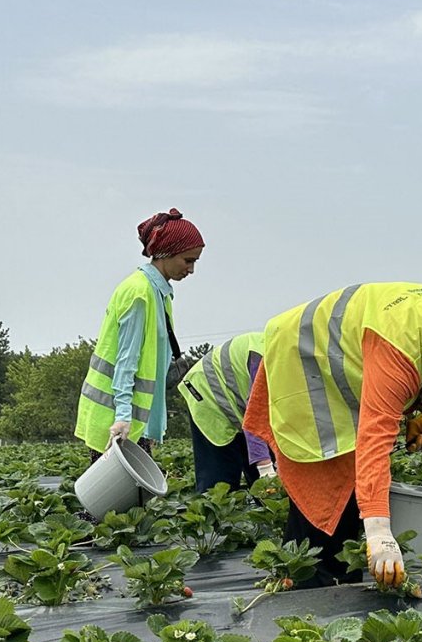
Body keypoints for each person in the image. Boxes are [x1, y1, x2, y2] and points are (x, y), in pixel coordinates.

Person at [243, 281, 422, 588]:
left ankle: (336, 582)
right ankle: (308, 592)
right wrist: (381, 533)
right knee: (323, 491)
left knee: (346, 497)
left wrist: (416, 411)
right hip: (304, 369)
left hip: (338, 372)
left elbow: (411, 364)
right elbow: (374, 440)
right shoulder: (398, 345)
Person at [74, 209, 204, 461]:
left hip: (133, 420)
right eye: (188, 260)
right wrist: (123, 417)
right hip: (116, 420)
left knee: (132, 498)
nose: (191, 269)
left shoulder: (158, 293)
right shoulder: (139, 293)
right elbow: (126, 360)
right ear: (166, 254)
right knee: (116, 497)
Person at [181, 331, 276, 491]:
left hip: (237, 404)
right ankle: (217, 513)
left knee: (267, 481)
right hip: (206, 392)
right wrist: (266, 468)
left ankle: (267, 507)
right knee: (220, 481)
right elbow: (256, 414)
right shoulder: (265, 359)